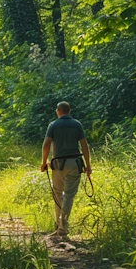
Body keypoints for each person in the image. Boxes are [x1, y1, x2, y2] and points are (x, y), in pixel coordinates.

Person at [40, 101, 91, 238]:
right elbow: (84, 146)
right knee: (68, 195)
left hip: (57, 164)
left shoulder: (53, 125)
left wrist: (44, 162)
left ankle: (60, 225)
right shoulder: (77, 124)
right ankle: (63, 225)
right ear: (69, 111)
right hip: (74, 163)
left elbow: (46, 145)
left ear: (58, 111)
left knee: (58, 194)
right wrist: (88, 166)